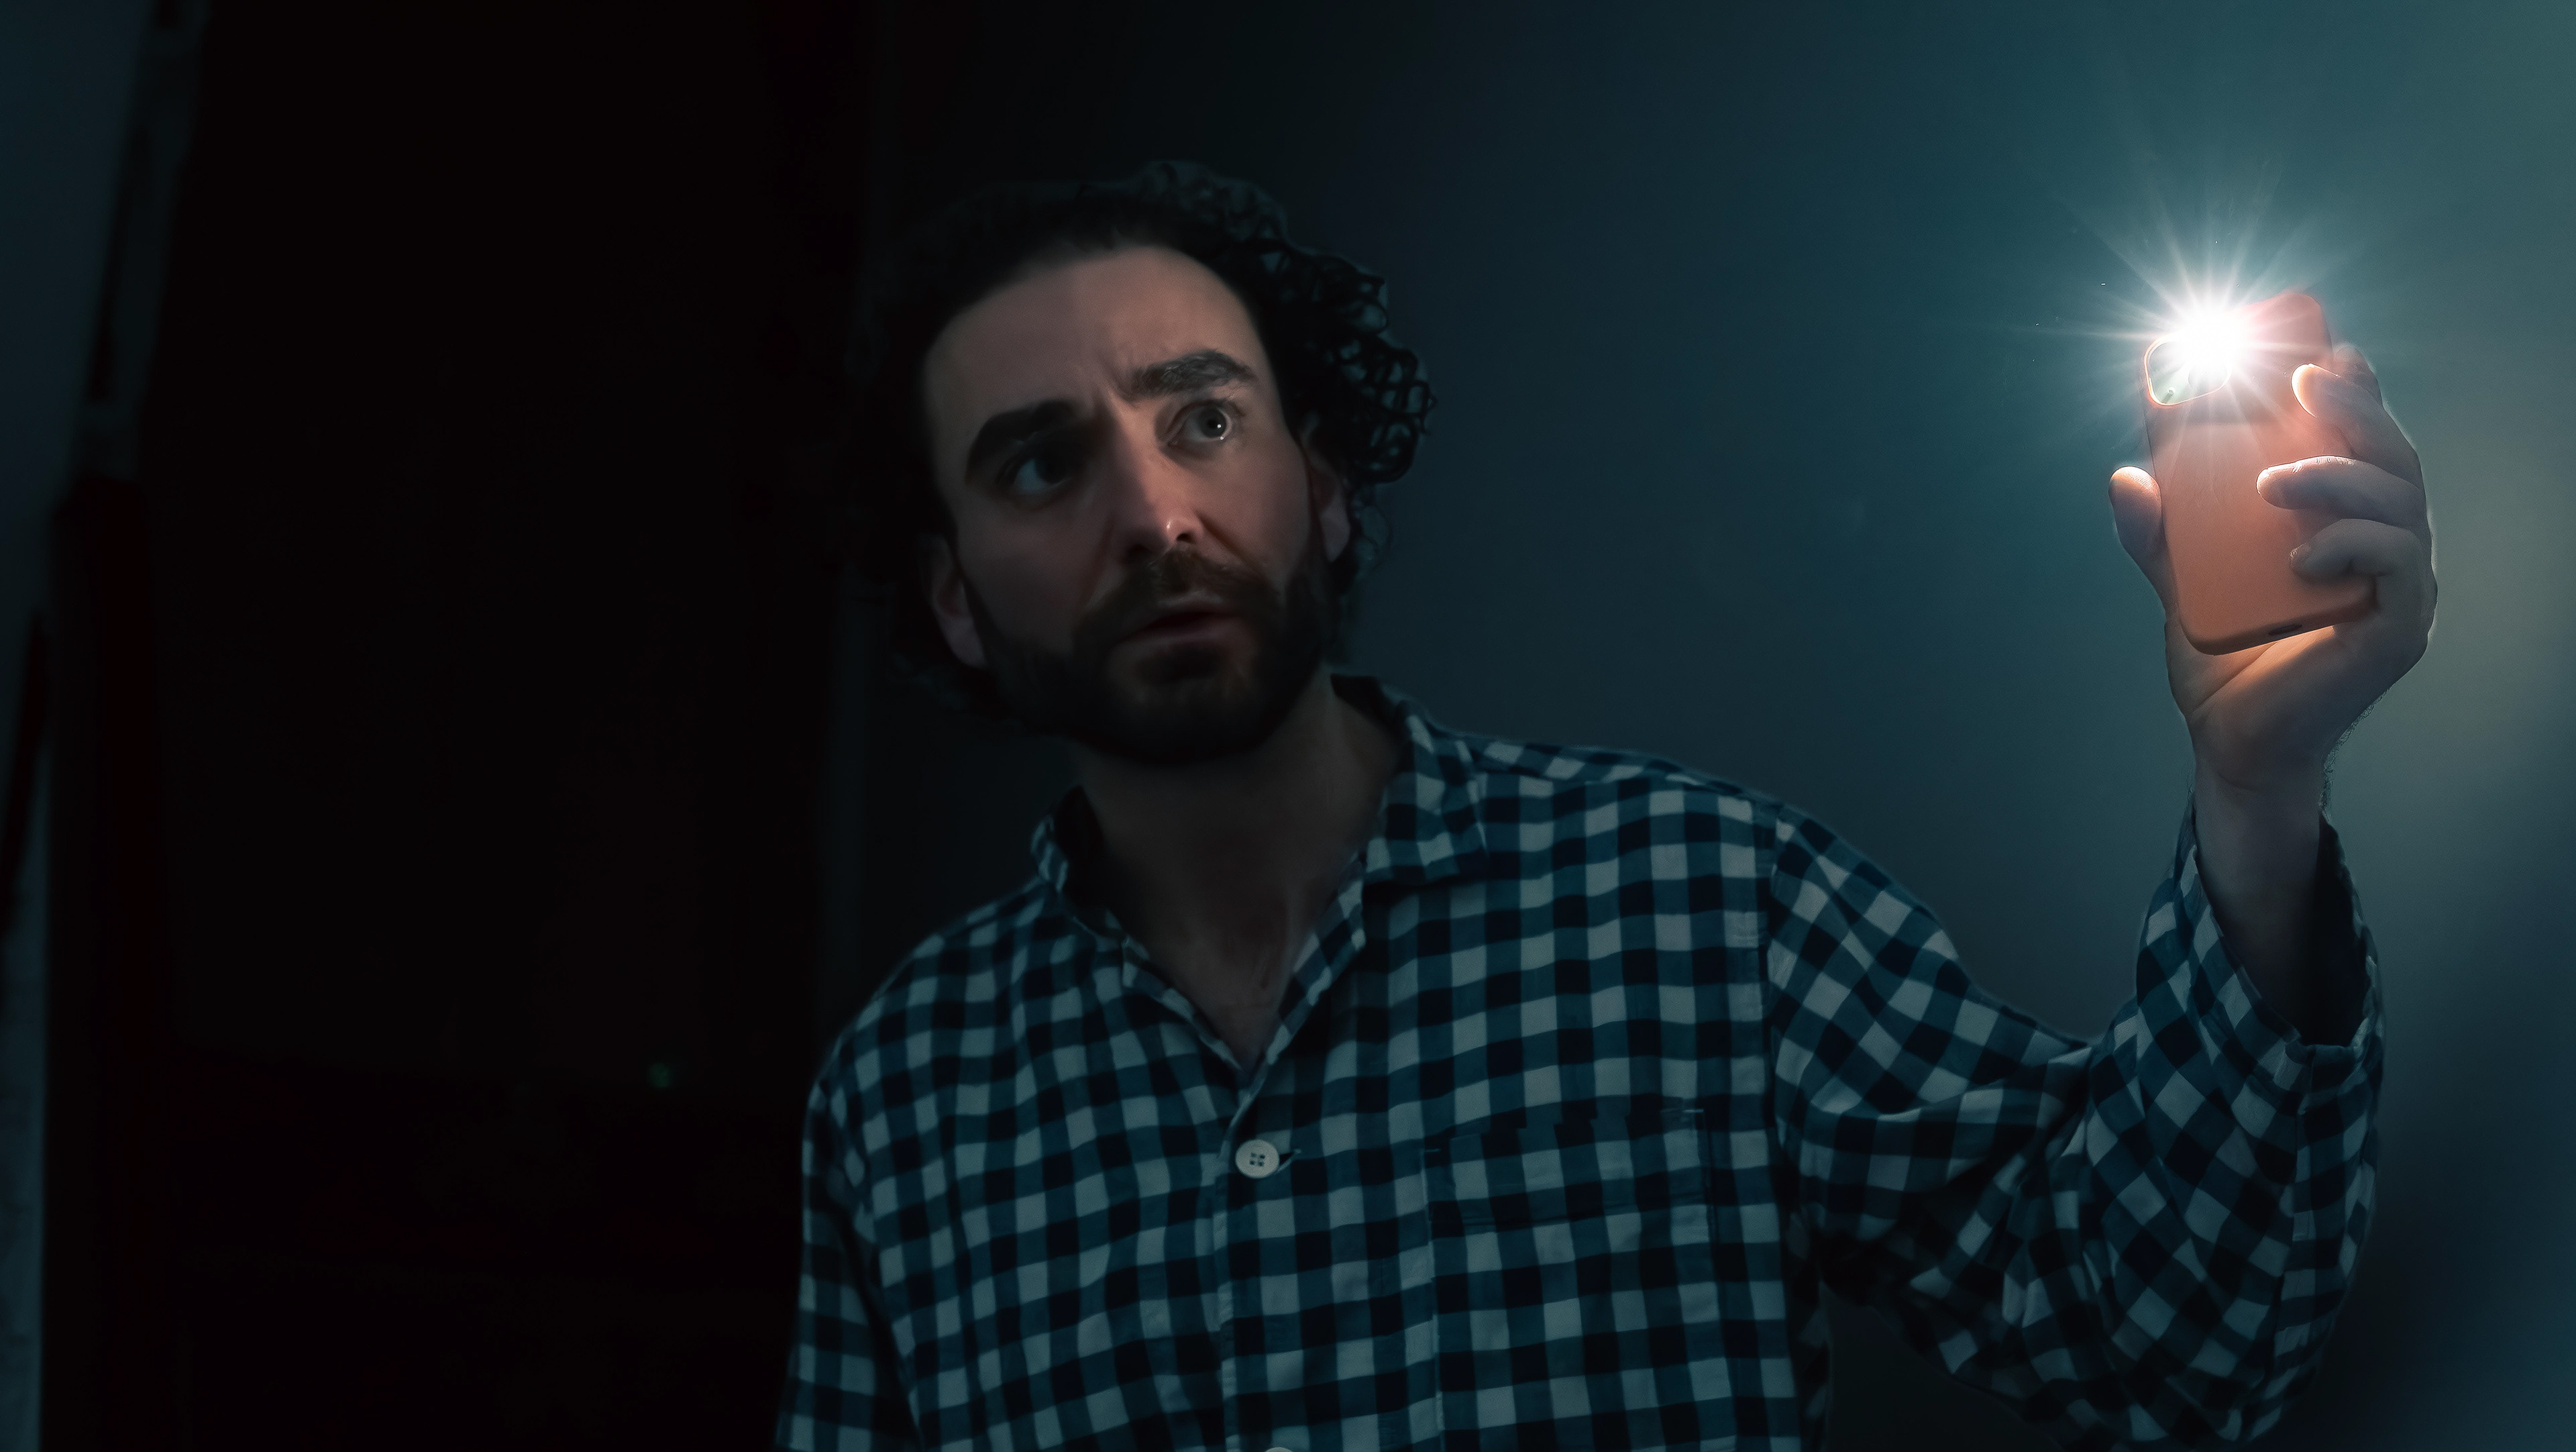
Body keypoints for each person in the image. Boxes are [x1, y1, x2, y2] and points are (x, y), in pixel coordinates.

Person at [776, 163, 2428, 1451]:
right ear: (954, 598)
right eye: (1043, 464)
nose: (1152, 513)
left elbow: (2167, 1343)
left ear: (1325, 487)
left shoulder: (1709, 907)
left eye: (1205, 419)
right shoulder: (902, 1100)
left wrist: (2257, 788)